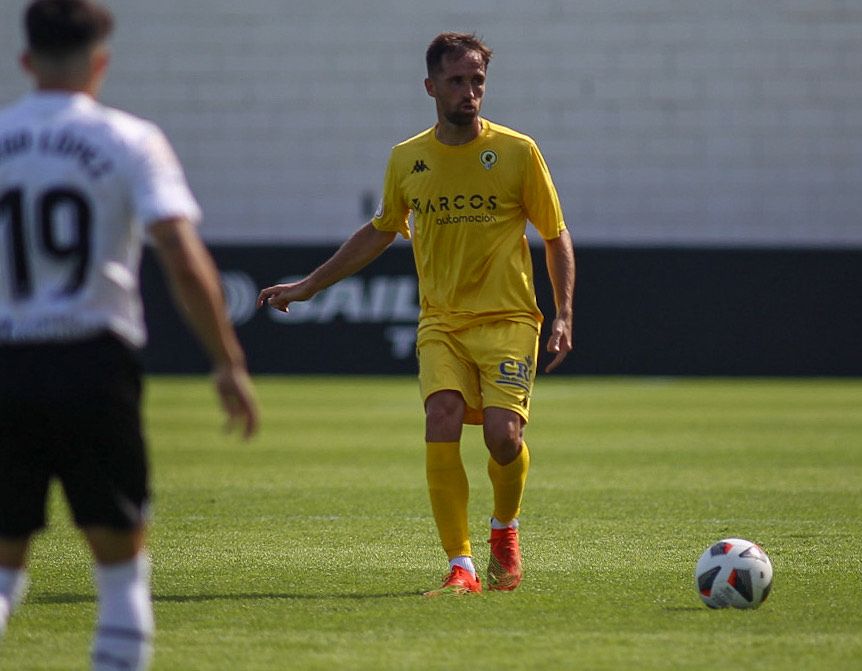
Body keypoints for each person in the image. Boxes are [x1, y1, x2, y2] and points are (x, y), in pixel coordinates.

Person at [258, 32, 574, 597]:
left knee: (503, 439)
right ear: (431, 87)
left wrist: (564, 312)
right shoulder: (408, 160)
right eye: (457, 81)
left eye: (477, 80)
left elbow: (555, 233)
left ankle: (504, 529)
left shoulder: (518, 152)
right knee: (442, 417)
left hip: (507, 319)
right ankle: (463, 568)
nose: (469, 92)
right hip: (442, 323)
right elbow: (380, 230)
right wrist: (308, 286)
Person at [0, 1, 259, 668]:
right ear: (101, 62)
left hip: (8, 361)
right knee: (120, 569)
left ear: (26, 60)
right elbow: (178, 250)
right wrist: (226, 361)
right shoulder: (130, 139)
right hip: (94, 362)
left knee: (3, 568)